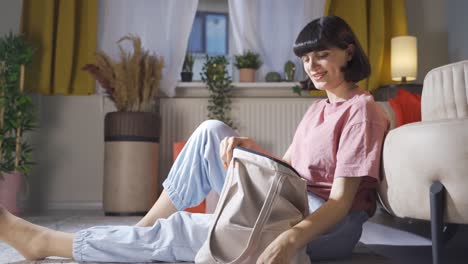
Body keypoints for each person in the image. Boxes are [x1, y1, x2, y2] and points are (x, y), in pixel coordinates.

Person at [0, 16, 389, 263]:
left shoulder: (362, 111)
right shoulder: (319, 109)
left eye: (322, 55)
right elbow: (289, 169)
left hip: (325, 227)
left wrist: (288, 241)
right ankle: (142, 230)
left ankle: (47, 243)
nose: (313, 67)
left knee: (188, 231)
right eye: (306, 59)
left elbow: (340, 203)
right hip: (291, 199)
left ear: (348, 52)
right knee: (210, 132)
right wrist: (252, 151)